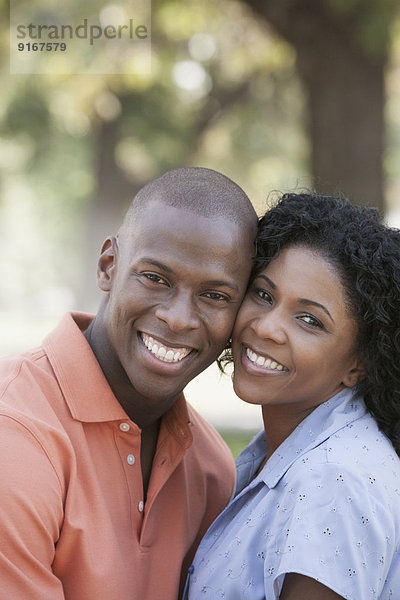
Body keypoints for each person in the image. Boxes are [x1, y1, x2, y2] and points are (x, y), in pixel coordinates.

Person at [0, 167, 258, 600]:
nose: (177, 317)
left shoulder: (212, 468)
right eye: (155, 278)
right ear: (108, 266)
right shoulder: (15, 433)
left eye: (215, 296)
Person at [184, 192, 400, 600]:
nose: (266, 327)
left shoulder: (335, 480)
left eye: (309, 320)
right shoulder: (289, 452)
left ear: (359, 363)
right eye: (263, 295)